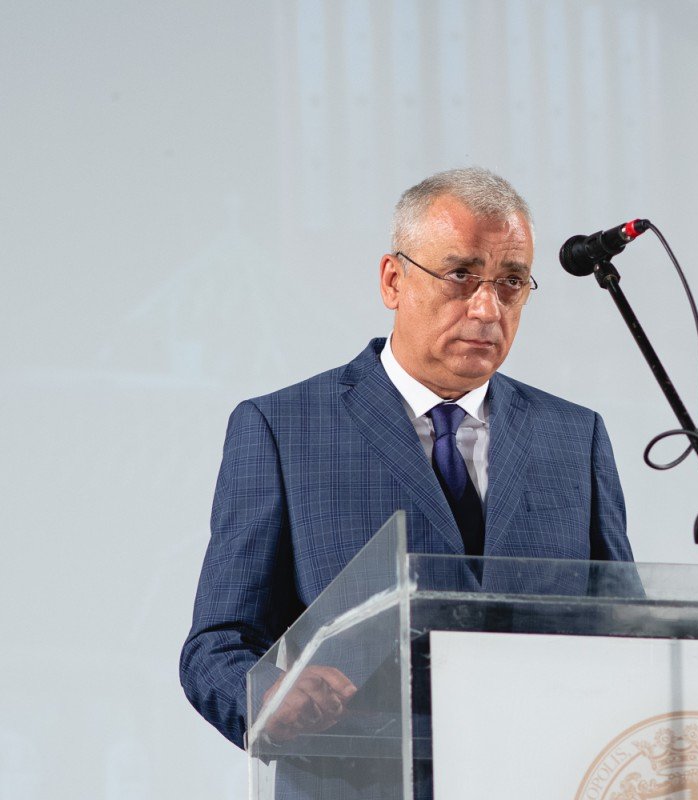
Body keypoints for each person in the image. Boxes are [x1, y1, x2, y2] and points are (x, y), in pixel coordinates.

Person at [180, 168, 633, 752]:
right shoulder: (281, 430)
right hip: (355, 776)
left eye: (512, 282)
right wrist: (269, 695)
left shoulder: (574, 437)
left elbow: (627, 633)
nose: (487, 308)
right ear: (394, 281)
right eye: (461, 275)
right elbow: (218, 645)